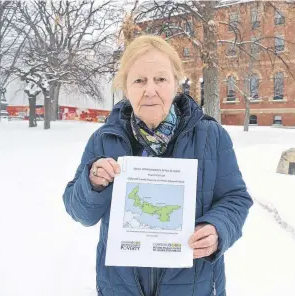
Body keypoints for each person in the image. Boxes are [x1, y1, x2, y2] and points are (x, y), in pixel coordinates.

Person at [62, 35, 253, 296]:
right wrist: (92, 183)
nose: (150, 90)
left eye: (160, 79)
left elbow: (236, 198)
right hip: (121, 289)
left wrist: (218, 229)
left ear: (176, 84)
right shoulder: (105, 139)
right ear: (125, 88)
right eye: (139, 80)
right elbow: (80, 211)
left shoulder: (210, 136)